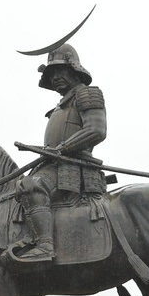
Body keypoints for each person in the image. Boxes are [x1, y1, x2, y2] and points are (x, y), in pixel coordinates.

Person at [15, 43, 107, 263]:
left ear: (74, 69)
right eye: (51, 74)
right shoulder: (59, 107)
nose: (55, 77)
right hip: (53, 165)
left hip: (73, 167)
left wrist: (61, 149)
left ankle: (45, 246)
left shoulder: (87, 94)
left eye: (59, 71)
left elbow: (96, 130)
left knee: (32, 186)